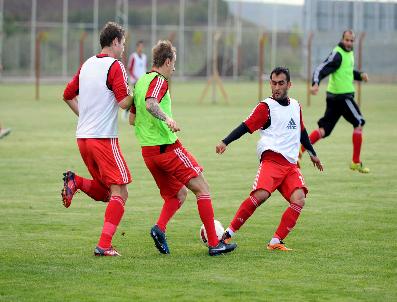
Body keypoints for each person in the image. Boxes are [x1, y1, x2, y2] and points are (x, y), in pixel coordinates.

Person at [129, 40, 237, 256]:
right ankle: (215, 243)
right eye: (174, 63)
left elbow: (132, 119)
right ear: (167, 61)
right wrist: (167, 119)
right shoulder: (159, 80)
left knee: (178, 194)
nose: (174, 68)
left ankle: (159, 228)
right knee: (203, 188)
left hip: (148, 153)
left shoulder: (141, 82)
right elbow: (151, 104)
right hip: (167, 148)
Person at [216, 67, 323, 251]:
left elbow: (302, 131)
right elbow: (245, 126)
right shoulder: (265, 107)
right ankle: (227, 235)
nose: (276, 87)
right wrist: (226, 141)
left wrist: (313, 154)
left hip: (290, 165)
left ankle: (276, 241)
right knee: (261, 195)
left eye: (281, 83)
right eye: (273, 83)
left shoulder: (295, 106)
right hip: (272, 161)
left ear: (289, 84)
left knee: (299, 199)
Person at [61, 22, 133, 257]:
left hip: (83, 138)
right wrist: (139, 95)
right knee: (120, 193)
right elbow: (123, 102)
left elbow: (67, 95)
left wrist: (86, 116)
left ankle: (77, 182)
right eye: (122, 43)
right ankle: (104, 245)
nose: (123, 47)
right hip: (103, 139)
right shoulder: (115, 66)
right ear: (114, 42)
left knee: (107, 193)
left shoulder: (87, 65)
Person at [301, 30, 369, 173]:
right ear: (342, 39)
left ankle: (299, 151)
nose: (349, 43)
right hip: (342, 97)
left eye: (351, 40)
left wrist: (360, 75)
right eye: (347, 40)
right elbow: (321, 67)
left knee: (324, 130)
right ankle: (356, 162)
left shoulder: (348, 54)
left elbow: (347, 72)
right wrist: (315, 83)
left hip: (335, 98)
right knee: (359, 122)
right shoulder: (338, 53)